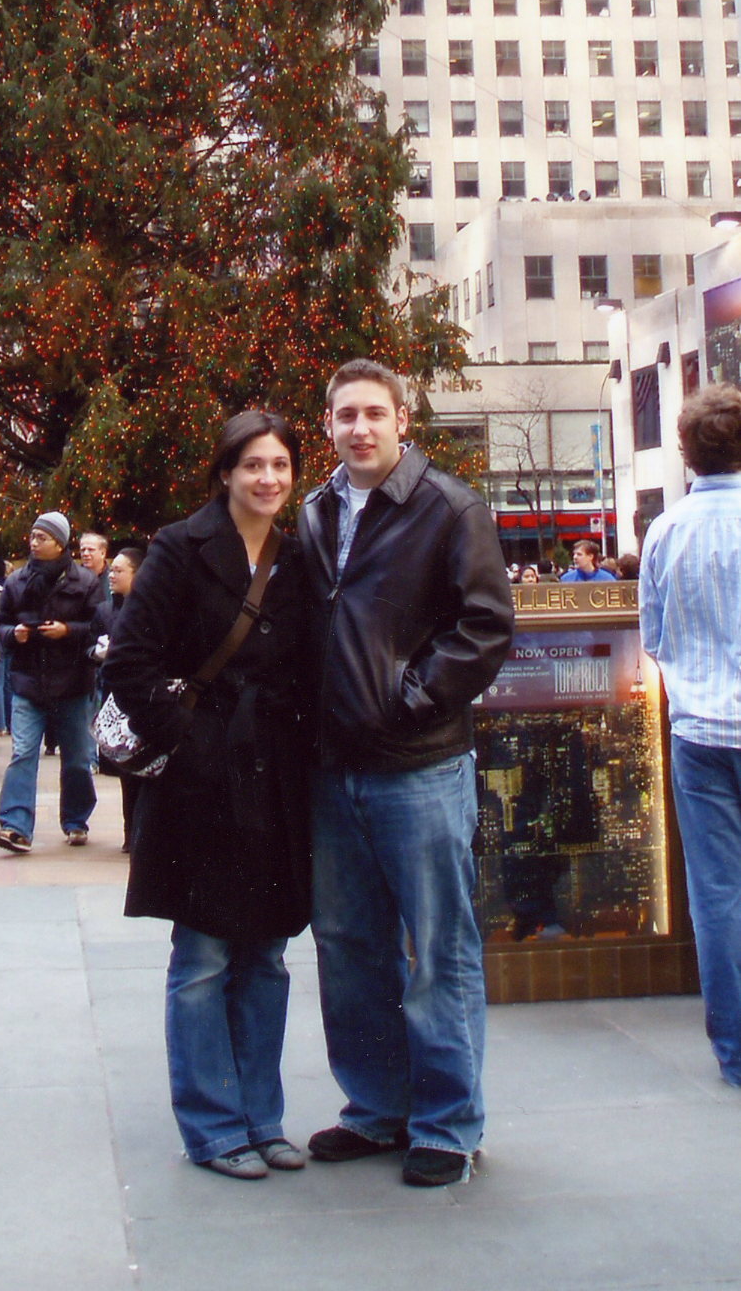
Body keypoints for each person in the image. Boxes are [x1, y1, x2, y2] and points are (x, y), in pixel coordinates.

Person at [298, 358, 514, 1187]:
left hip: (418, 766)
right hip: (332, 767)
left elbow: (486, 628)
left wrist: (412, 700)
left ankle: (448, 1122)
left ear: (402, 421)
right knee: (349, 946)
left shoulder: (450, 508)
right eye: (344, 414)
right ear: (327, 425)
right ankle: (376, 1106)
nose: (359, 428)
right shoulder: (314, 511)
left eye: (374, 414)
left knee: (439, 946)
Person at [104, 412, 312, 1179]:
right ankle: (214, 1125)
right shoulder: (179, 548)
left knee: (267, 954)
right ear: (225, 472)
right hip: (201, 780)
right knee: (201, 955)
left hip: (276, 778)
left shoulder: (297, 557)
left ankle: (263, 1115)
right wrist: (188, 743)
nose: (268, 479)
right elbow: (127, 662)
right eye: (253, 465)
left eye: (281, 466)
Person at [639, 383, 741, 1088]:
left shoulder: (666, 530)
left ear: (686, 451)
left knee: (716, 894)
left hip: (699, 728)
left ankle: (736, 1050)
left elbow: (655, 638)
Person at [0, 512, 102, 853]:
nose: (34, 542)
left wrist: (68, 631)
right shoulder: (17, 581)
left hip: (72, 681)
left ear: (60, 542)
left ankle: (76, 819)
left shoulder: (85, 582)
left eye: (42, 537)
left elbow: (98, 627)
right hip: (28, 680)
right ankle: (15, 825)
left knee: (78, 758)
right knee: (23, 752)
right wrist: (15, 634)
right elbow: (2, 623)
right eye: (33, 536)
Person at [92, 545, 146, 852]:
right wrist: (99, 652)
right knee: (126, 771)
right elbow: (88, 648)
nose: (112, 575)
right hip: (116, 700)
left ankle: (143, 831)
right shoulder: (104, 611)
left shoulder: (153, 607)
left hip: (143, 697)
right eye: (111, 570)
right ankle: (130, 833)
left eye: (119, 570)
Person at [79, 532, 111, 600]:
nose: (85, 553)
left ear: (103, 553)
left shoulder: (113, 579)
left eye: (91, 550)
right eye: (82, 550)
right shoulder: (73, 577)